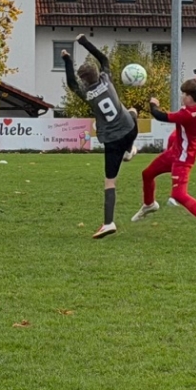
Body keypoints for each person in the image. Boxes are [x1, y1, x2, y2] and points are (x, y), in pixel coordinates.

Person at [62, 36, 140, 239]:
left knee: (109, 182)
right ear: (98, 73)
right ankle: (130, 149)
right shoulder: (106, 79)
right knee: (132, 112)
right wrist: (84, 42)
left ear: (84, 81)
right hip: (130, 129)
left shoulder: (86, 93)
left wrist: (67, 60)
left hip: (112, 140)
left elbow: (71, 83)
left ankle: (108, 223)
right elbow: (104, 58)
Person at [131, 79, 196, 240]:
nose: (182, 97)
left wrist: (153, 104)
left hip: (183, 158)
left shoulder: (187, 115)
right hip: (174, 152)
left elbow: (159, 115)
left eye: (184, 94)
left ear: (190, 97)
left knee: (179, 194)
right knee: (147, 173)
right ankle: (149, 204)